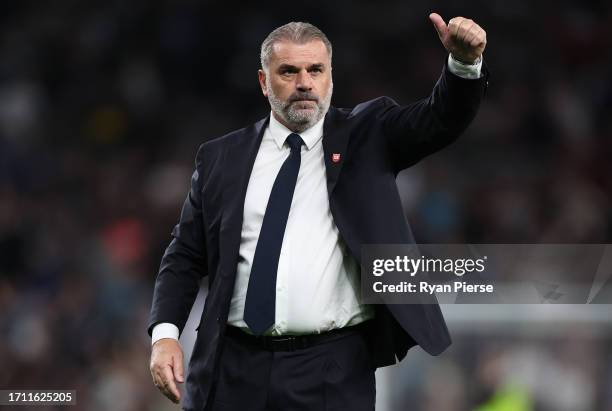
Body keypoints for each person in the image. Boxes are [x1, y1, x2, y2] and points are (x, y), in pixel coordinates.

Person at [148, 13, 488, 411]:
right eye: (288, 71)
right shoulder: (220, 157)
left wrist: (463, 66)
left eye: (315, 69)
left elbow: (439, 119)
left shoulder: (368, 135)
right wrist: (166, 335)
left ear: (330, 77)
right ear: (264, 81)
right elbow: (185, 255)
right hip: (231, 366)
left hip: (332, 368)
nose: (304, 83)